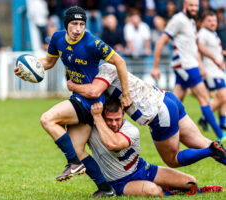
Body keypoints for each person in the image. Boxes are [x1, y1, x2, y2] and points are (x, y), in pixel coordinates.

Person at [14, 6, 132, 197]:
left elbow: (120, 62)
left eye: (82, 24)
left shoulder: (93, 43)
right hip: (80, 100)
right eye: (74, 24)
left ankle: (74, 164)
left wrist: (126, 94)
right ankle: (105, 188)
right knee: (77, 149)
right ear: (66, 24)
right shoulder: (57, 38)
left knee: (47, 119)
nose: (78, 29)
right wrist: (30, 66)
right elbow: (49, 62)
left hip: (90, 99)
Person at [67, 62, 226, 168]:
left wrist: (72, 85)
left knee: (172, 159)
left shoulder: (101, 76)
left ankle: (211, 150)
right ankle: (213, 148)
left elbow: (93, 91)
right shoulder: (106, 67)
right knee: (201, 142)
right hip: (167, 98)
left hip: (159, 112)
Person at [68, 97, 223, 197]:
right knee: (153, 191)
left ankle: (168, 189)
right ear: (102, 116)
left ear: (123, 114)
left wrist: (97, 117)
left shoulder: (131, 130)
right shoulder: (92, 126)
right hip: (120, 182)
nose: (114, 124)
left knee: (191, 183)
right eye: (109, 120)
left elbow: (113, 144)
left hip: (142, 169)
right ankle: (163, 190)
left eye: (117, 119)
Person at [151, 0, 226, 141]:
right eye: (191, 5)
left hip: (186, 66)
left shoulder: (191, 22)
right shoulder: (178, 20)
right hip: (186, 66)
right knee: (204, 98)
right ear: (185, 6)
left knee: (174, 101)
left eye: (196, 6)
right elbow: (161, 41)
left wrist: (215, 60)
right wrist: (155, 66)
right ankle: (220, 134)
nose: (194, 8)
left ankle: (159, 128)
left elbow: (199, 46)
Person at [197, 11, 226, 141]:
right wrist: (201, 67)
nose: (213, 22)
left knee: (224, 97)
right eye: (209, 20)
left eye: (214, 20)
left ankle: (222, 122)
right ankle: (204, 119)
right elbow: (199, 50)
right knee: (223, 95)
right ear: (203, 22)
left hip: (218, 69)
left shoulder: (213, 34)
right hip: (210, 71)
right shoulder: (202, 34)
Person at [123, 12, 152, 79]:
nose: (136, 21)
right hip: (131, 53)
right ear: (131, 20)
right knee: (133, 72)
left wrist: (148, 49)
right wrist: (134, 52)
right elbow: (128, 41)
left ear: (140, 19)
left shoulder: (144, 26)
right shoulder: (127, 27)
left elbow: (147, 40)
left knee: (142, 71)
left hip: (142, 52)